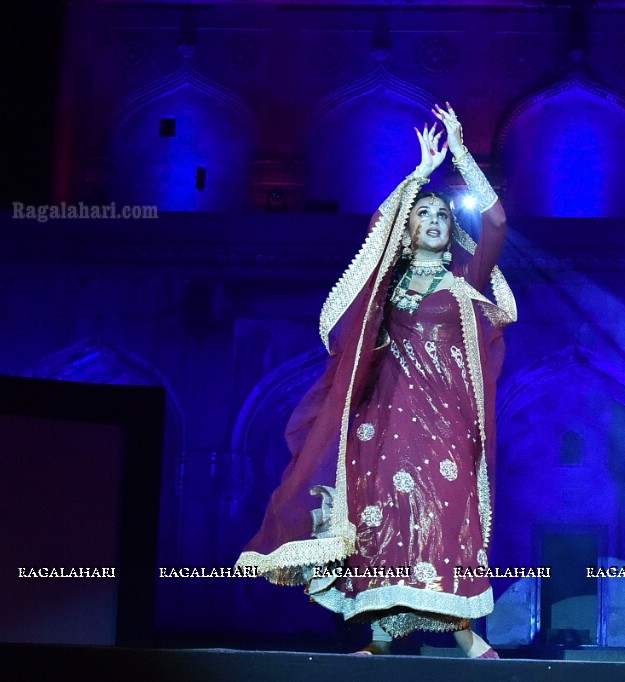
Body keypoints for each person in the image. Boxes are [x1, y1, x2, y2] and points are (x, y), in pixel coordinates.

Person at [236, 102, 515, 659]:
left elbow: (498, 223)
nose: (435, 222)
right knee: (383, 513)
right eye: (424, 217)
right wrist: (417, 174)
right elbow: (375, 233)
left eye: (441, 215)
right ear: (409, 232)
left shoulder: (467, 282)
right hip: (384, 417)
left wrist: (460, 153)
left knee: (447, 510)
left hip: (449, 419)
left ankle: (463, 631)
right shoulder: (384, 292)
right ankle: (383, 636)